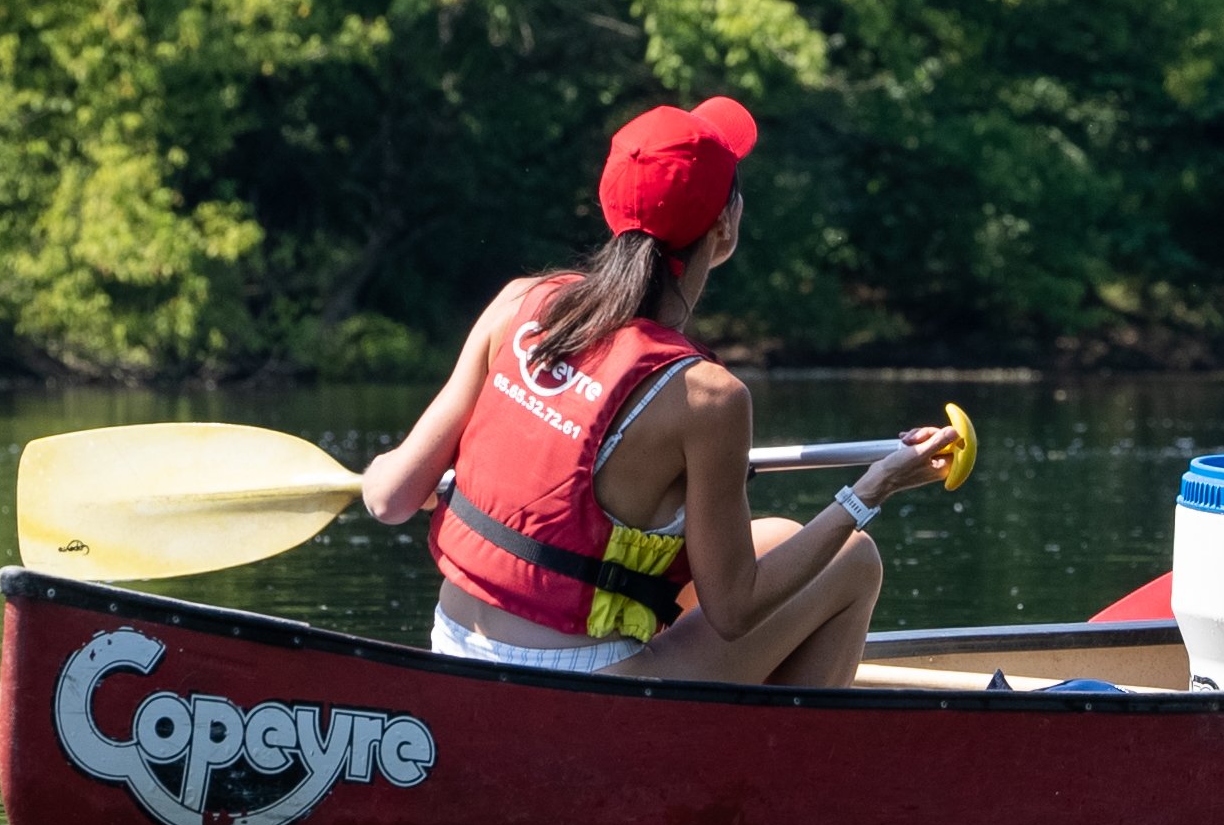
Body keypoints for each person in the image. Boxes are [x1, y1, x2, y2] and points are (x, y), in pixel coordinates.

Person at [358, 96, 952, 684]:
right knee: (853, 559)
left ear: (610, 207)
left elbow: (387, 498)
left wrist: (457, 486)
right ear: (726, 228)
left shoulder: (519, 302)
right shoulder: (708, 398)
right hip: (579, 688)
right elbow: (735, 609)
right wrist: (873, 489)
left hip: (451, 649)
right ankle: (784, 774)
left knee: (783, 539)